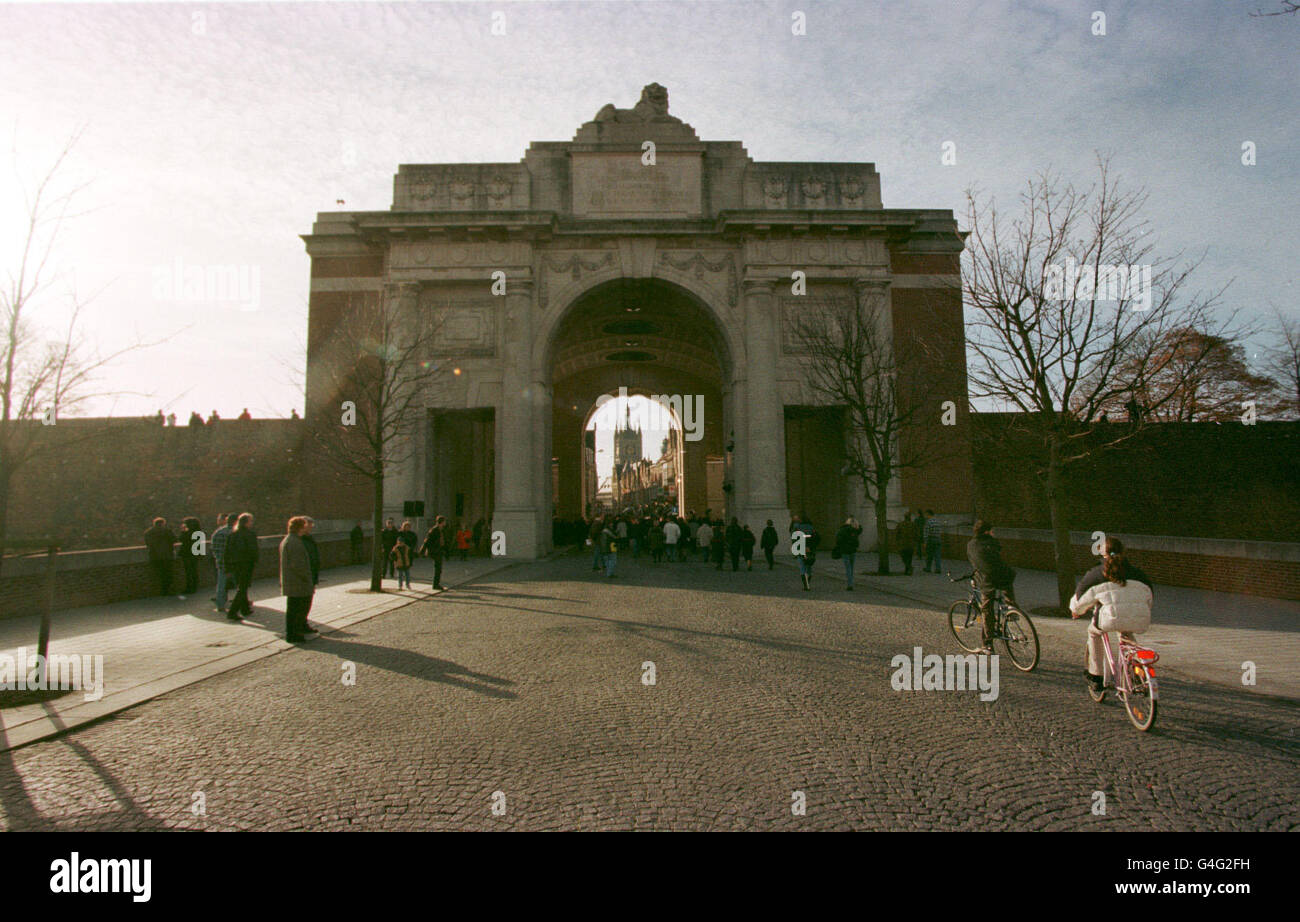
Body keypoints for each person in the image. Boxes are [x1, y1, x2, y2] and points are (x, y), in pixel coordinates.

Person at [1070, 537, 1154, 695]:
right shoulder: (1138, 573)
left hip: (1109, 619)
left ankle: (1096, 676)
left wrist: (1076, 611)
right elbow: (1149, 595)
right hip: (1139, 617)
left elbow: (1081, 598)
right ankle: (1138, 672)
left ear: (1103, 554)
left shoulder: (1096, 574)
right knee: (1126, 633)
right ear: (1123, 552)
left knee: (1094, 633)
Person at [966, 520, 1017, 650]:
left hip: (987, 580)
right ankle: (1011, 607)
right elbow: (998, 550)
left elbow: (976, 561)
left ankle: (987, 644)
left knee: (987, 609)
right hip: (1003, 576)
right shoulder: (991, 541)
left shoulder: (971, 545)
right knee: (1006, 584)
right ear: (987, 532)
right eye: (992, 531)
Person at [279, 516, 317, 643]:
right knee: (296, 609)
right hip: (297, 582)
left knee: (295, 608)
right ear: (300, 527)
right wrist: (307, 578)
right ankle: (293, 634)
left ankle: (296, 631)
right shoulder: (294, 542)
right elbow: (297, 565)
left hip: (294, 581)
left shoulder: (290, 540)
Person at [226, 513, 259, 621]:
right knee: (243, 588)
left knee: (242, 586)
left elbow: (228, 551)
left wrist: (228, 566)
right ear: (246, 523)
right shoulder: (249, 534)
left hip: (235, 564)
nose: (252, 523)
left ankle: (245, 609)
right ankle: (232, 612)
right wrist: (255, 561)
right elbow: (253, 550)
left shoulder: (233, 534)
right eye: (250, 521)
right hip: (246, 564)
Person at [144, 517, 176, 596]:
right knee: (168, 573)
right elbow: (175, 539)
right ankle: (167, 589)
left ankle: (161, 591)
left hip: (155, 556)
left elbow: (147, 543)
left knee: (158, 574)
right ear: (163, 523)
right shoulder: (167, 531)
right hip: (167, 555)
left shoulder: (149, 532)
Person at [419, 516, 450, 590]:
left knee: (439, 568)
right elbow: (427, 541)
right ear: (442, 522)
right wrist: (422, 551)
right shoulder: (434, 530)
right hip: (435, 551)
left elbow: (443, 541)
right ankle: (436, 584)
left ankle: (436, 584)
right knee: (438, 568)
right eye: (444, 521)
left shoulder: (441, 530)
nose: (445, 523)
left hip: (439, 550)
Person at [834, 516, 863, 591]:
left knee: (848, 568)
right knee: (851, 567)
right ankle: (850, 583)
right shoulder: (855, 530)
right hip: (852, 550)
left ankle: (850, 584)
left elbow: (838, 539)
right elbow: (860, 529)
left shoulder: (843, 530)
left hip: (845, 550)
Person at [211, 513, 233, 612]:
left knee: (222, 584)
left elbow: (215, 549)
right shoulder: (233, 532)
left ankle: (220, 604)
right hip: (233, 562)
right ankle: (241, 602)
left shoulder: (218, 532)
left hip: (222, 562)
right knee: (239, 584)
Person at [791, 515, 818, 590]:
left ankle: (806, 585)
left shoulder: (797, 527)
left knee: (802, 567)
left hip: (801, 548)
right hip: (810, 549)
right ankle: (808, 583)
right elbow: (815, 538)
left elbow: (794, 539)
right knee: (808, 567)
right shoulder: (811, 527)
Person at [177, 516, 202, 597]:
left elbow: (181, 539)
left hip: (187, 554)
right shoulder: (199, 532)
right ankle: (195, 586)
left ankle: (190, 587)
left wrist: (183, 530)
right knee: (194, 571)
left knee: (189, 572)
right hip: (195, 554)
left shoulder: (188, 533)